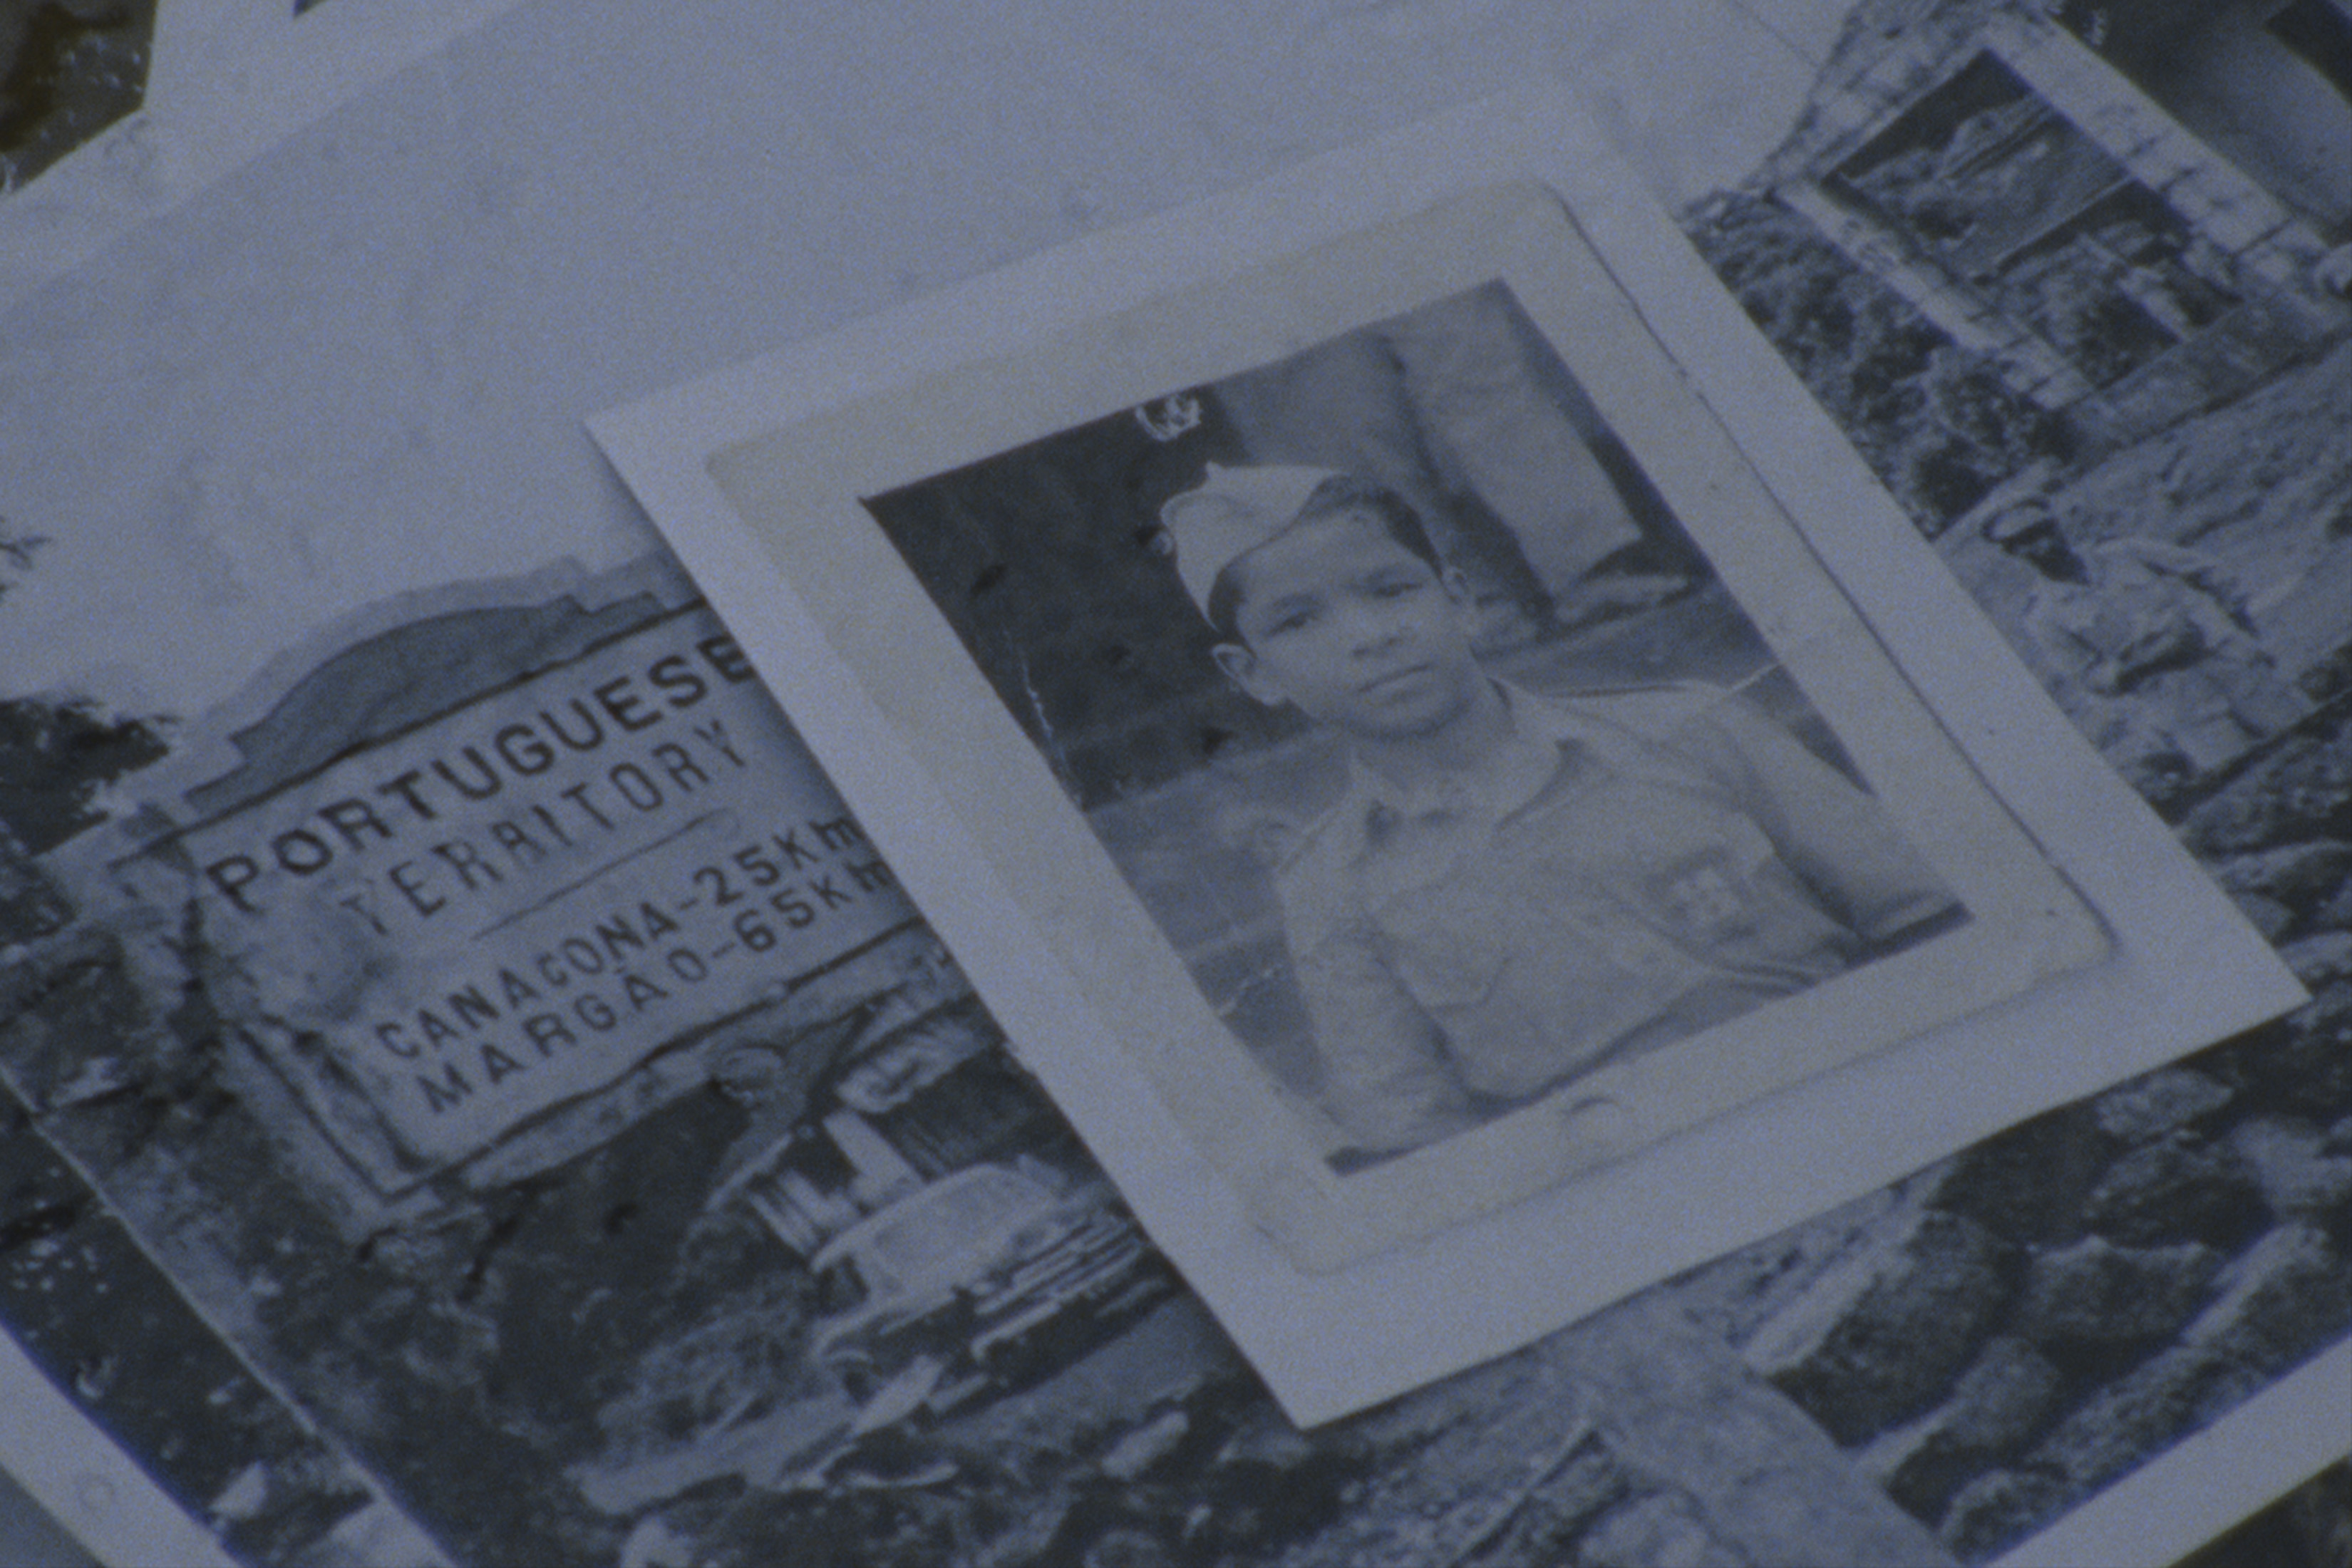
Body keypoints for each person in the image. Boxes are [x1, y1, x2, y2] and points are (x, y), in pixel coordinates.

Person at [1160, 463, 1962, 1157]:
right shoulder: (1334, 885)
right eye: (1298, 621)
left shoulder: (1685, 726)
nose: (1369, 635)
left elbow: (1920, 910)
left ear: (1460, 599)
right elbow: (1412, 1133)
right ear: (1252, 674)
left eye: (1390, 589)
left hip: (1876, 1084)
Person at [1982, 498, 2305, 785]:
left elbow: (2211, 574)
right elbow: (2092, 678)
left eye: (2043, 531)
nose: (2042, 546)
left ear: (2057, 527)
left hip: (2233, 665)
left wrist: (2243, 632)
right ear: (2012, 553)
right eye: (2024, 542)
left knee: (2308, 731)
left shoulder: (2124, 553)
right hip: (2181, 704)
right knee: (2249, 780)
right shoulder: (2044, 617)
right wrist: (2152, 658)